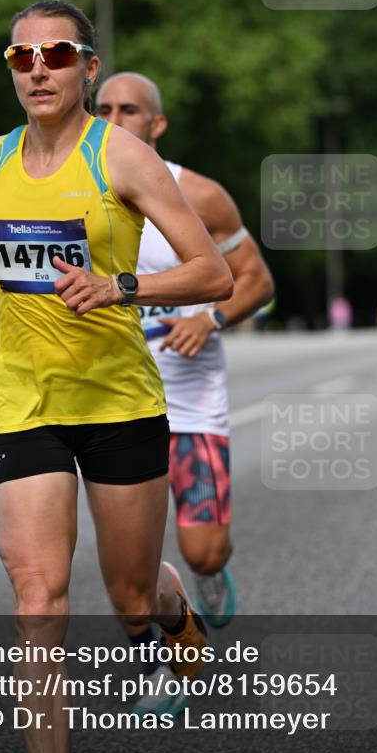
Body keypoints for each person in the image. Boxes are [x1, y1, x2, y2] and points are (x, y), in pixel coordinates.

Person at [0, 0, 233, 753]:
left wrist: (121, 287)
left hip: (118, 402)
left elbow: (214, 272)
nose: (39, 67)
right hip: (23, 401)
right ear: (9, 68)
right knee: (37, 598)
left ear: (87, 66)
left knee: (131, 594)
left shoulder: (123, 160)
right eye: (22, 56)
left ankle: (176, 623)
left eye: (57, 53)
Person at [95, 72, 274, 716]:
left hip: (190, 397)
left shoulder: (199, 194)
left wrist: (211, 318)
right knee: (126, 577)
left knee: (203, 547)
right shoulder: (69, 190)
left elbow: (256, 279)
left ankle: (204, 569)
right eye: (104, 107)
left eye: (131, 109)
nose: (115, 118)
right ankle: (170, 649)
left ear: (157, 125)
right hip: (111, 398)